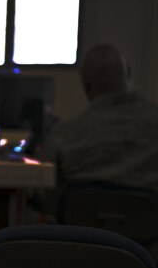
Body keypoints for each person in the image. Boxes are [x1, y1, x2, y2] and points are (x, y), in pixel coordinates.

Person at [42, 43, 158, 197]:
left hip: (77, 219)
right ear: (128, 74)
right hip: (147, 220)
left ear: (86, 86)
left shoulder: (64, 134)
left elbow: (46, 193)